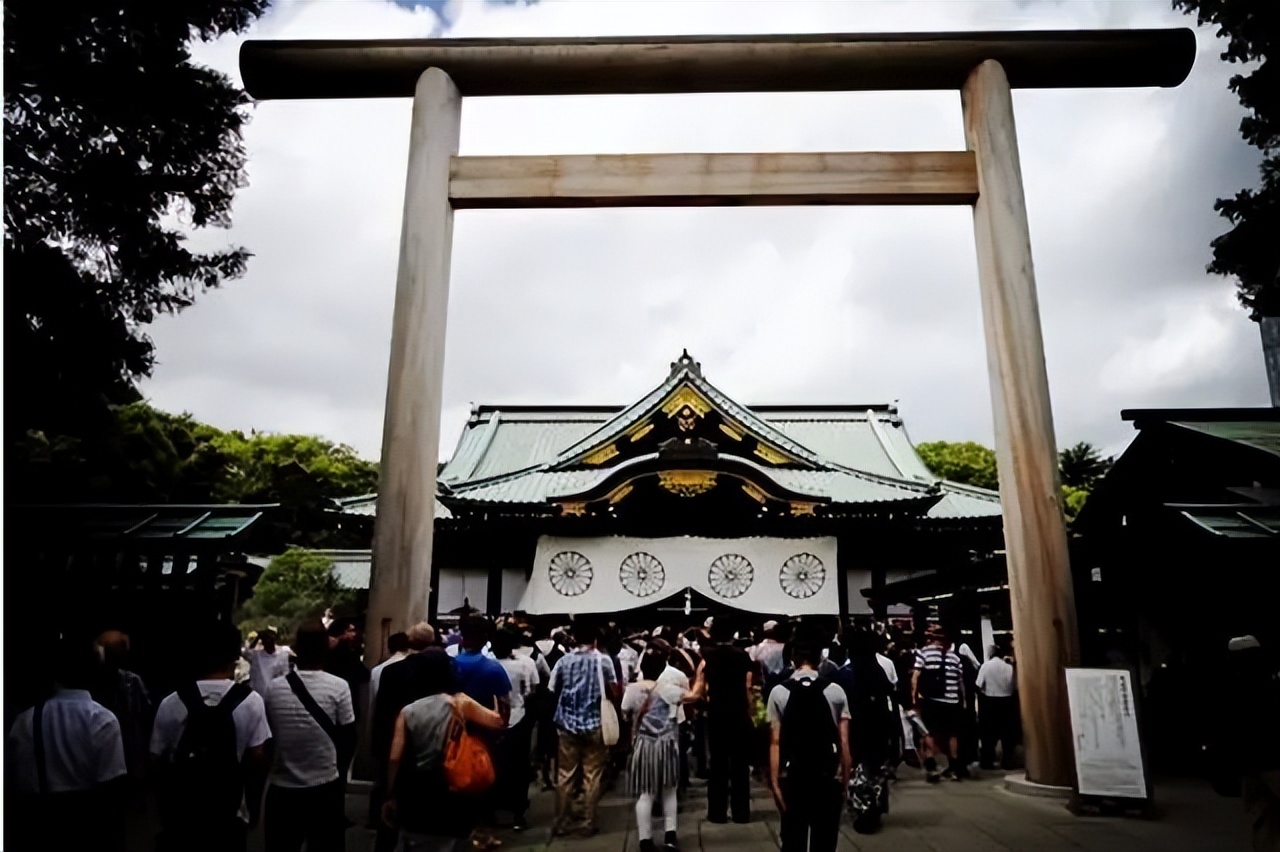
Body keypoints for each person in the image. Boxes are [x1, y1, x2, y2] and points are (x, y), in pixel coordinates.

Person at [151, 622, 271, 852]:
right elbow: (257, 758)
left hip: (182, 814)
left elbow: (157, 760)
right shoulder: (251, 701)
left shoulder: (172, 701)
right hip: (230, 813)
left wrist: (165, 811)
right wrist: (253, 809)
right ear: (235, 657)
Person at [6, 635, 128, 852]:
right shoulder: (102, 720)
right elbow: (113, 791)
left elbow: (18, 784)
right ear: (94, 671)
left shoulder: (24, 721)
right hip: (89, 829)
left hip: (37, 829)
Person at [381, 650, 507, 852]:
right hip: (451, 784)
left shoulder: (408, 711)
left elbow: (395, 758)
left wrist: (390, 794)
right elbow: (497, 721)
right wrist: (501, 703)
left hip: (416, 789)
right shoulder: (459, 703)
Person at [263, 624, 357, 852]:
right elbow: (349, 736)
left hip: (282, 789)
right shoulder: (339, 687)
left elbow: (268, 736)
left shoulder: (273, 689)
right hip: (325, 787)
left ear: (297, 651)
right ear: (326, 650)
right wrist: (340, 772)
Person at [767, 639, 851, 852]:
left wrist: (775, 782)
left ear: (793, 660)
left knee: (793, 837)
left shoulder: (778, 692)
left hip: (793, 773)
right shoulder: (836, 691)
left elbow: (775, 741)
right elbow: (844, 742)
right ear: (820, 660)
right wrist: (845, 779)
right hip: (826, 773)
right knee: (825, 838)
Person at [371, 622, 446, 852]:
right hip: (431, 745)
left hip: (395, 744)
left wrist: (378, 748)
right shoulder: (443, 669)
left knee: (391, 806)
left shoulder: (391, 672)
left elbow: (381, 714)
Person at [548, 622, 620, 837]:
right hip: (595, 723)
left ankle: (561, 821)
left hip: (567, 724)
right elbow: (614, 691)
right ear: (596, 640)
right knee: (592, 775)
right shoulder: (604, 661)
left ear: (574, 639)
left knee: (565, 775)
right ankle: (588, 822)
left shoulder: (563, 661)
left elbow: (552, 688)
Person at [624, 646, 690, 852]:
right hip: (667, 742)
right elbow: (693, 697)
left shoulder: (632, 689)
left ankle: (645, 839)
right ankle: (670, 835)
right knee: (669, 789)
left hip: (644, 742)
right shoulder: (669, 689)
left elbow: (626, 712)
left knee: (646, 792)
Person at [692, 618, 754, 824]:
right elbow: (748, 687)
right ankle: (741, 812)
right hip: (739, 712)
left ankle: (717, 812)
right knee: (740, 764)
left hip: (717, 713)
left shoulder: (707, 658)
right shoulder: (743, 656)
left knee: (718, 763)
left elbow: (700, 687)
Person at [493, 630, 540, 831]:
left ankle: (496, 807)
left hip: (492, 718)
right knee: (520, 766)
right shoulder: (525, 664)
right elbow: (531, 690)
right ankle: (518, 812)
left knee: (495, 764)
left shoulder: (489, 664)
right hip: (518, 716)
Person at [91, 629, 153, 782]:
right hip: (108, 760)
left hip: (130, 759)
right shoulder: (94, 685)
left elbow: (146, 717)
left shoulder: (133, 682)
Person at [912, 625, 966, 781]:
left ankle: (931, 766)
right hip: (952, 701)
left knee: (930, 732)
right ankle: (954, 768)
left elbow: (915, 676)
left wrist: (914, 697)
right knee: (952, 734)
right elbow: (960, 681)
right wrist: (964, 700)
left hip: (932, 700)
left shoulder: (924, 653)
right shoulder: (954, 657)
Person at [975, 641, 1018, 771]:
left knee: (988, 735)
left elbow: (978, 684)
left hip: (990, 702)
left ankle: (987, 761)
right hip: (1008, 702)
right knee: (1007, 735)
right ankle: (1007, 761)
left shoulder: (986, 666)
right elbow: (1014, 685)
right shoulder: (1009, 667)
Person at [325, 618, 371, 720]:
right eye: (350, 631)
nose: (354, 634)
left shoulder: (327, 652)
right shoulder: (346, 653)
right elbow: (364, 675)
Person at [370, 632, 411, 717]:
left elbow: (373, 700)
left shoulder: (376, 670)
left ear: (389, 648)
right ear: (408, 647)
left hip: (385, 716)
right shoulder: (412, 667)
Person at [243, 627, 293, 697]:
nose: (269, 642)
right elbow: (246, 653)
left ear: (274, 640)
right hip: (259, 695)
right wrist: (257, 638)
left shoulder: (283, 655)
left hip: (277, 695)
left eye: (270, 639)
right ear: (263, 642)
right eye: (266, 639)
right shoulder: (256, 656)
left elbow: (286, 673)